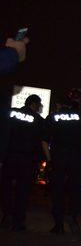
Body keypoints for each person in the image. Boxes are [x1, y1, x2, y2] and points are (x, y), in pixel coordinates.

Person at [0, 94, 46, 231]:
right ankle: (18, 221)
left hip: (10, 157)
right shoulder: (38, 120)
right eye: (39, 104)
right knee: (23, 190)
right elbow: (40, 142)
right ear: (33, 104)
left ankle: (6, 216)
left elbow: (4, 134)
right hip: (27, 160)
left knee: (6, 188)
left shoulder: (12, 113)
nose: (39, 107)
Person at [45, 96, 81, 234]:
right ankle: (72, 216)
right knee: (75, 188)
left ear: (58, 104)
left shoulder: (52, 117)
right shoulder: (80, 117)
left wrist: (49, 160)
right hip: (75, 156)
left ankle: (58, 224)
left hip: (58, 157)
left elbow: (44, 141)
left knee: (57, 190)